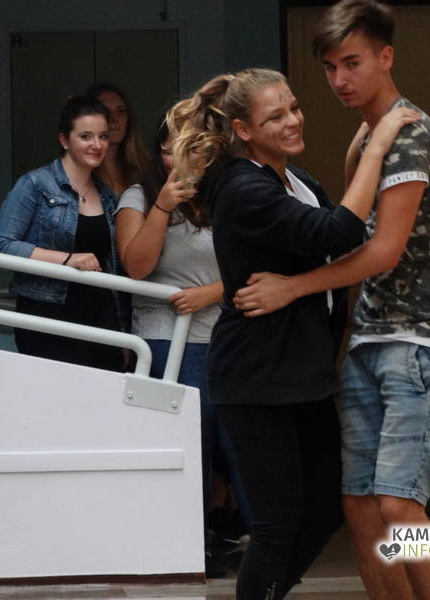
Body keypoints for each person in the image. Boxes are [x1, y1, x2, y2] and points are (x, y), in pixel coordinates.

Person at [232, 2, 430, 598]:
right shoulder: (368, 134)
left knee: (399, 506)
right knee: (362, 508)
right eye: (329, 67)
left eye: (353, 63)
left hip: (424, 339)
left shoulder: (407, 131)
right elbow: (348, 231)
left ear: (385, 57)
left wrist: (292, 287)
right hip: (371, 339)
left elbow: (383, 251)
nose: (339, 79)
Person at [167, 68, 417, 598]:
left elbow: (342, 231)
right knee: (277, 524)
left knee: (325, 506)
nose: (292, 121)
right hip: (258, 374)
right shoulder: (242, 186)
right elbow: (337, 232)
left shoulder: (292, 179)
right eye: (275, 116)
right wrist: (376, 148)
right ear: (243, 130)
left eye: (294, 108)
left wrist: (296, 286)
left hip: (301, 372)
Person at [114, 116, 250, 576]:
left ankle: (262, 544)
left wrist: (212, 293)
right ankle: (192, 547)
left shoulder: (228, 193)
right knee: (191, 445)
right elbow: (135, 266)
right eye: (170, 149)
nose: (180, 159)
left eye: (192, 148)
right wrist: (163, 206)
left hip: (231, 334)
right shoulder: (139, 196)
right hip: (168, 340)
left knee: (243, 444)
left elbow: (258, 263)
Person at [0, 95, 123, 371]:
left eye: (103, 136)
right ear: (65, 140)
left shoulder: (108, 196)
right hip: (47, 313)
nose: (97, 144)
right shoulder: (34, 184)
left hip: (100, 315)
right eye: (85, 136)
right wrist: (66, 259)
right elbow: (4, 245)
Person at [84, 82, 149, 198]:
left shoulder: (144, 169)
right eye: (105, 111)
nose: (114, 119)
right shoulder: (82, 173)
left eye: (121, 111)